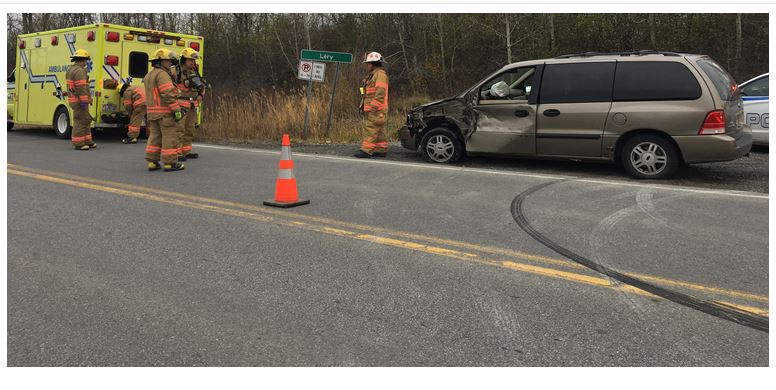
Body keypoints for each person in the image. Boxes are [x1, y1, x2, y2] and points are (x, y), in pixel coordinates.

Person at [144, 48, 185, 172]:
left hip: (152, 113)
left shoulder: (149, 75)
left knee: (155, 136)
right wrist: (176, 109)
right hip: (165, 112)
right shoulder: (162, 75)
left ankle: (152, 162)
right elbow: (168, 93)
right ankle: (170, 163)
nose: (170, 63)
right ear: (160, 61)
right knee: (169, 136)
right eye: (167, 61)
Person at [355, 51, 389, 158]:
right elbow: (368, 93)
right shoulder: (373, 75)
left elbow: (380, 92)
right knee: (378, 130)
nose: (367, 66)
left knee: (371, 128)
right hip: (376, 109)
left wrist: (374, 107)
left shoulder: (380, 75)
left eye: (368, 64)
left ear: (373, 64)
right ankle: (380, 149)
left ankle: (366, 150)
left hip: (377, 109)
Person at [173, 47, 205, 160]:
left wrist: (201, 95)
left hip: (192, 106)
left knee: (189, 129)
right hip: (180, 105)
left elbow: (202, 85)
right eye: (190, 60)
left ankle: (186, 151)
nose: (192, 62)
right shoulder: (175, 71)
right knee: (179, 130)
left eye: (194, 60)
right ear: (183, 60)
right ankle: (177, 153)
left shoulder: (194, 72)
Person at [65, 49, 96, 150]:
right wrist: (84, 101)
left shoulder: (71, 69)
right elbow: (81, 88)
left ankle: (87, 141)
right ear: (83, 60)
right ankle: (79, 143)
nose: (86, 62)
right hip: (79, 101)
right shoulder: (79, 71)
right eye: (86, 60)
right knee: (80, 121)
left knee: (85, 120)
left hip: (75, 100)